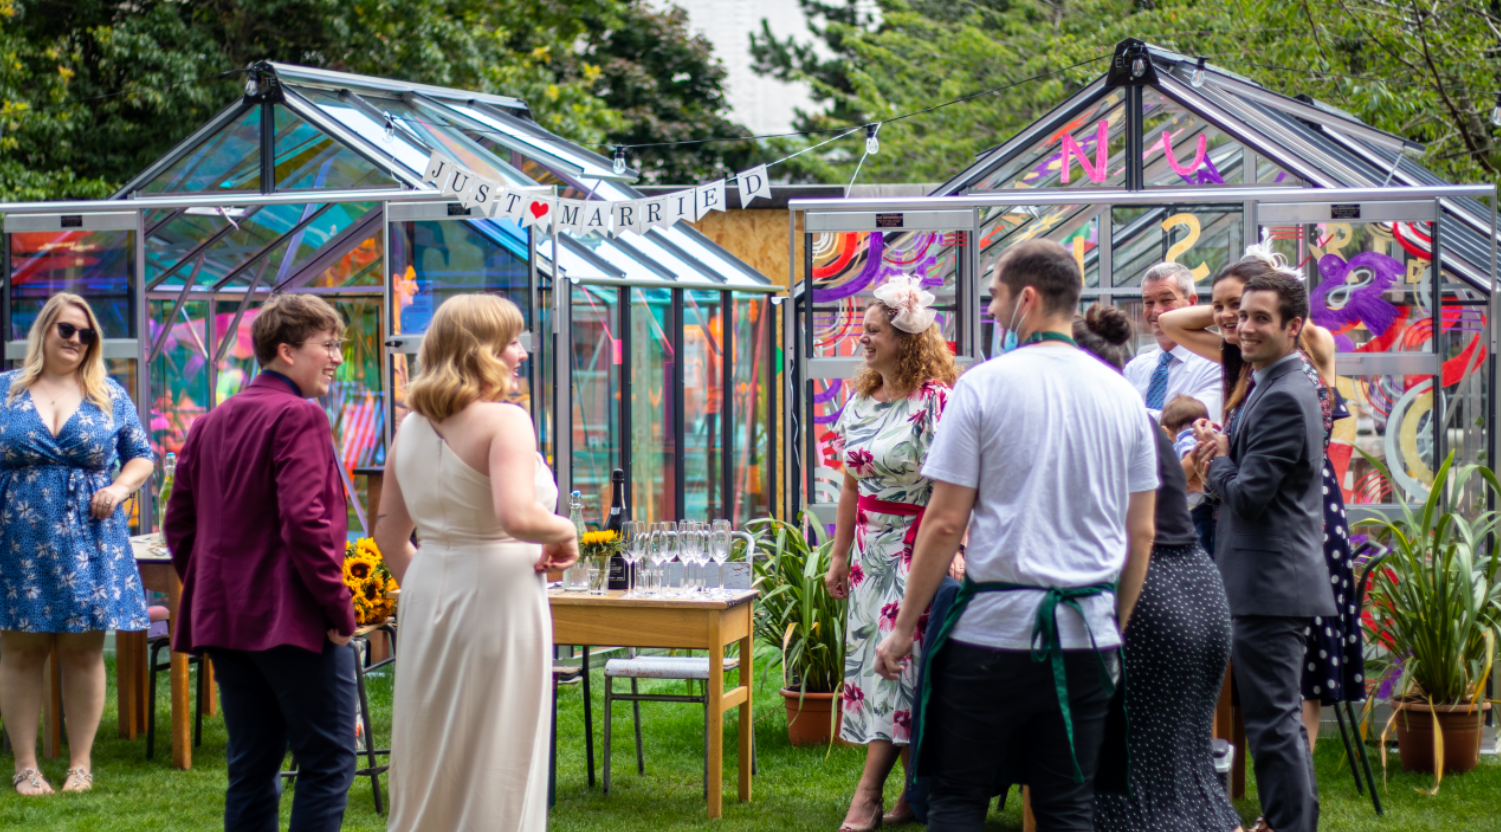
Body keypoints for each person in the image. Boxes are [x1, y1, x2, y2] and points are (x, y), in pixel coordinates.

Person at [873, 240, 1158, 832]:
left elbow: (947, 521)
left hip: (989, 638)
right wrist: (1113, 626)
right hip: (1086, 635)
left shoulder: (984, 387)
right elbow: (1142, 533)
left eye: (997, 298)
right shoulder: (1125, 397)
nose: (994, 313)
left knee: (957, 799)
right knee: (1066, 808)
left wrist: (903, 631)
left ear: (1028, 298)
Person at [375, 294, 578, 832]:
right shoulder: (505, 422)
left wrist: (430, 590)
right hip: (500, 596)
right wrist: (564, 530)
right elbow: (517, 515)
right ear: (481, 350)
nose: (521, 354)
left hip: (427, 592)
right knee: (499, 744)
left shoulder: (409, 429)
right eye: (512, 341)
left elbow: (389, 535)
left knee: (432, 743)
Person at [165, 293, 357, 832]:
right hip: (293, 622)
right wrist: (339, 612)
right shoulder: (301, 416)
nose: (337, 357)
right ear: (286, 351)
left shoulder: (209, 422)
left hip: (224, 623)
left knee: (250, 769)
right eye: (329, 345)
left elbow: (178, 526)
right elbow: (305, 523)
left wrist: (211, 590)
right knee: (328, 762)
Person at [1161, 250, 1364, 755]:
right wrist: (1231, 311)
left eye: (1246, 309)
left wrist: (1259, 296)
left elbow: (1298, 323)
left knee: (1304, 655)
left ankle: (1296, 769)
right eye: (1227, 309)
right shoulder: (1242, 360)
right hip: (1257, 514)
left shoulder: (1305, 351)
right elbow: (1169, 320)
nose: (1233, 320)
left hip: (1303, 516)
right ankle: (1266, 771)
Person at [1073, 306, 1241, 832]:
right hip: (1200, 589)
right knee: (1186, 770)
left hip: (1149, 597)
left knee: (1131, 780)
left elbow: (1131, 532)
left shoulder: (1093, 426)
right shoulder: (1142, 419)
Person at [1191, 273, 1335, 832]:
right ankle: (1285, 821)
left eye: (1259, 318)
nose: (1242, 326)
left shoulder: (1285, 391)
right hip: (1267, 577)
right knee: (1276, 721)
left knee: (1273, 722)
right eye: (1240, 315)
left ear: (1293, 326)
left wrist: (1215, 460)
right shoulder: (1272, 381)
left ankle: (1288, 825)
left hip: (1271, 582)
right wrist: (1227, 450)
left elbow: (1250, 496)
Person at [0, 293, 153, 795]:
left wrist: (119, 487)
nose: (76, 340)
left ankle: (80, 766)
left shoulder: (108, 393)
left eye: (86, 334)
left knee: (84, 650)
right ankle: (25, 766)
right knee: (20, 650)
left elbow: (143, 455)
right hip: (18, 537)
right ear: (45, 330)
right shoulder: (5, 391)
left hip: (90, 535)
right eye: (67, 329)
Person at [824, 274, 959, 831]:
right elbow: (850, 484)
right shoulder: (857, 402)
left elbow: (958, 486)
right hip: (866, 553)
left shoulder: (936, 403)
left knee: (895, 668)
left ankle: (868, 793)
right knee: (877, 669)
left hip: (915, 547)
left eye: (874, 331)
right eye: (863, 331)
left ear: (906, 339)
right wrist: (837, 556)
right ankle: (911, 792)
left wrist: (957, 547)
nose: (863, 340)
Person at [1124, 262, 1222, 423]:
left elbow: (1190, 425)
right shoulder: (1135, 368)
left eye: (1166, 300)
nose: (1156, 311)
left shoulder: (1214, 365)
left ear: (1192, 302)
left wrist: (1130, 414)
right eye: (1148, 302)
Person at [1160, 395, 1211, 549]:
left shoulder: (1186, 438)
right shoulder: (1203, 437)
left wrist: (1173, 485)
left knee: (1200, 547)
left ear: (1166, 431)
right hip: (1202, 503)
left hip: (1197, 510)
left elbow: (1190, 461)